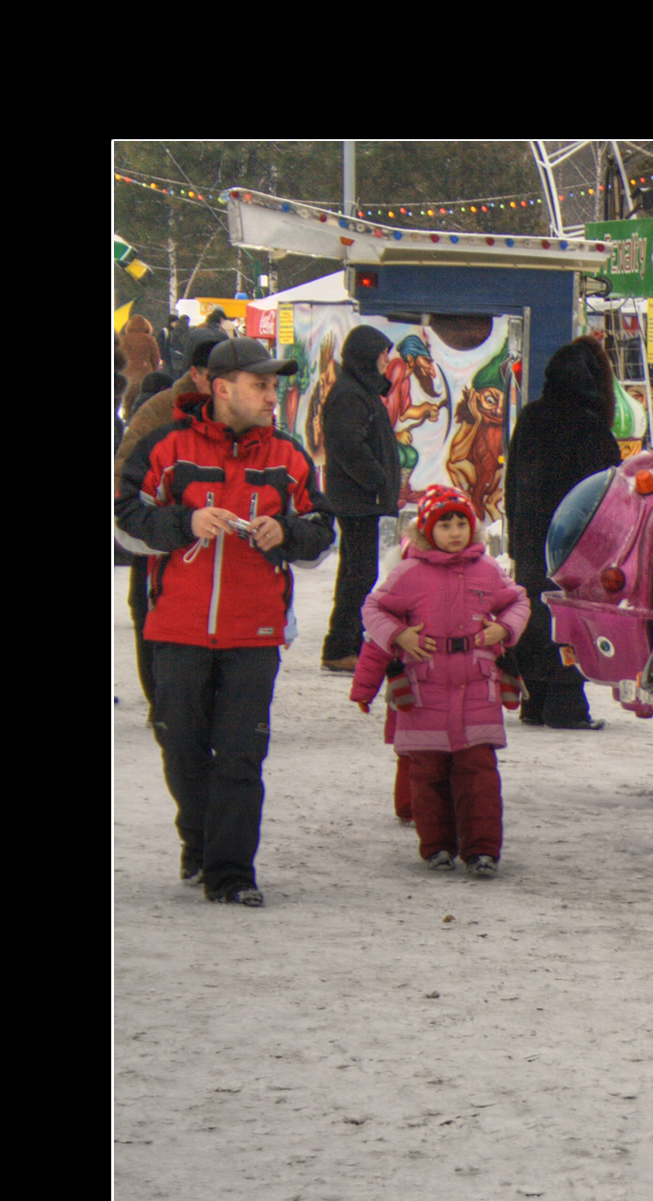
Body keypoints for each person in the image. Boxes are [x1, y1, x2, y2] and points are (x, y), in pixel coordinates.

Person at [115, 336, 335, 906]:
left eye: (273, 384)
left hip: (254, 631)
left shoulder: (287, 455)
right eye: (260, 384)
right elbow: (124, 521)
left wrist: (286, 533)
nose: (271, 393)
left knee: (240, 755)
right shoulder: (167, 446)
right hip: (176, 628)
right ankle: (200, 838)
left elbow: (320, 535)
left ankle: (232, 873)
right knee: (182, 747)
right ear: (220, 388)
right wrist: (184, 524)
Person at [351, 485, 528, 878]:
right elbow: (373, 609)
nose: (454, 532)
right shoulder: (409, 573)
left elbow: (519, 601)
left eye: (461, 523)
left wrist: (505, 629)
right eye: (444, 524)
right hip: (424, 693)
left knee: (479, 774)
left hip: (477, 690)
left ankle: (482, 850)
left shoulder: (487, 570)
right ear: (427, 531)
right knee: (427, 775)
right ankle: (436, 847)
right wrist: (399, 636)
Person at [503, 337, 622, 729]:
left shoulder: (532, 416)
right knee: (571, 614)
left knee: (536, 612)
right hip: (575, 544)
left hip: (530, 536)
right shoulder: (591, 427)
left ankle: (534, 701)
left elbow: (511, 483)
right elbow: (608, 496)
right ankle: (567, 703)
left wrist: (514, 538)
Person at [116, 333, 227, 708]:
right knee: (149, 610)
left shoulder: (242, 412)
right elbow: (124, 468)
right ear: (196, 374)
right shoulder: (160, 409)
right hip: (160, 536)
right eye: (216, 374)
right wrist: (148, 521)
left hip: (222, 543)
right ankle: (162, 703)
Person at [318, 326, 404, 673]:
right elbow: (347, 445)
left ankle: (346, 643)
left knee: (358, 573)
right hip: (356, 500)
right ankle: (340, 646)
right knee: (358, 574)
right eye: (383, 353)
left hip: (361, 499)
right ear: (367, 356)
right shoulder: (351, 395)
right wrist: (377, 479)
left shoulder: (361, 392)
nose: (387, 361)